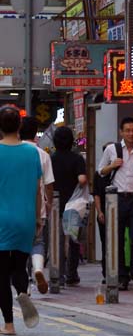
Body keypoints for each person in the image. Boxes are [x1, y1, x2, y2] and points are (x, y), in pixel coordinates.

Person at [98, 117, 133, 291]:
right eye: (127, 130)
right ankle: (122, 276)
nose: (131, 133)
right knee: (117, 239)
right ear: (121, 132)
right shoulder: (111, 150)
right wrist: (112, 165)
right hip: (116, 199)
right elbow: (101, 171)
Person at [0, 105, 42, 335]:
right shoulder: (31, 152)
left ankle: (8, 324)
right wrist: (37, 218)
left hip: (1, 219)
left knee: (1, 273)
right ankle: (23, 291)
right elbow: (37, 190)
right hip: (25, 217)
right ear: (19, 126)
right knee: (19, 265)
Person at [19, 116, 54, 295]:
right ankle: (38, 268)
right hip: (38, 207)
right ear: (36, 134)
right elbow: (49, 184)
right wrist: (47, 204)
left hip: (15, 208)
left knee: (19, 247)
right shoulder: (43, 154)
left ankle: (24, 286)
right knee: (38, 241)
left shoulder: (14, 151)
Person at [51, 125, 87, 286]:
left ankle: (57, 274)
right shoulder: (77, 159)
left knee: (56, 240)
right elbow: (82, 179)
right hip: (73, 204)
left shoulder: (51, 158)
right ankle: (72, 274)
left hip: (55, 203)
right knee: (73, 240)